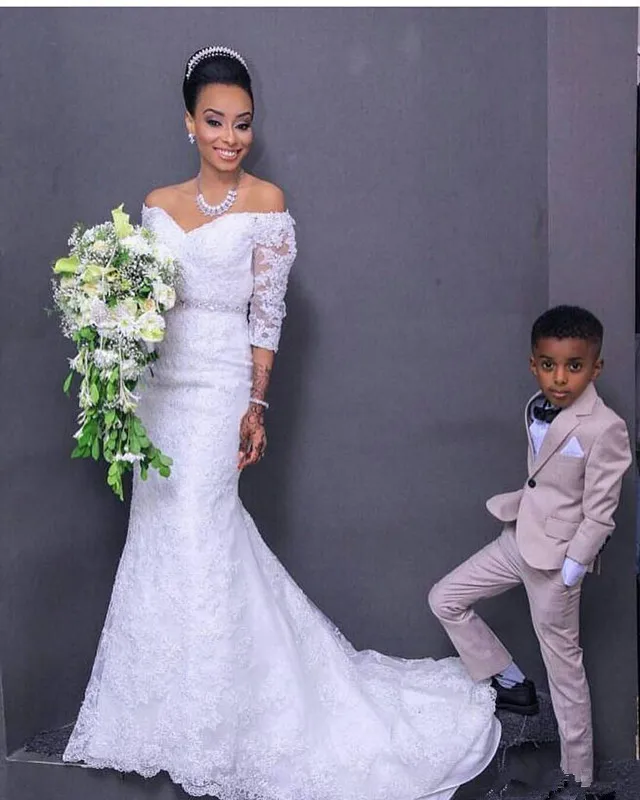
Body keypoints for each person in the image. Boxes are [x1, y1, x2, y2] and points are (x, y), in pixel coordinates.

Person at [62, 46, 500, 800]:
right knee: (160, 535)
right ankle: (158, 716)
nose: (230, 138)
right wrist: (115, 346)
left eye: (243, 123)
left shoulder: (267, 201)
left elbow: (266, 315)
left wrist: (256, 403)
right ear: (189, 123)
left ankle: (220, 722)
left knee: (203, 529)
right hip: (160, 394)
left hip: (221, 388)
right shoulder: (156, 205)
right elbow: (139, 300)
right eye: (215, 122)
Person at [428, 305, 632, 800]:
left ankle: (578, 779)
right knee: (445, 598)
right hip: (518, 537)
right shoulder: (535, 404)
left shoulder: (605, 428)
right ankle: (512, 683)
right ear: (533, 364)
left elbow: (601, 512)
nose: (560, 378)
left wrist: (571, 570)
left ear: (596, 367)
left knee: (565, 673)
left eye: (574, 366)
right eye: (548, 365)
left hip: (557, 563)